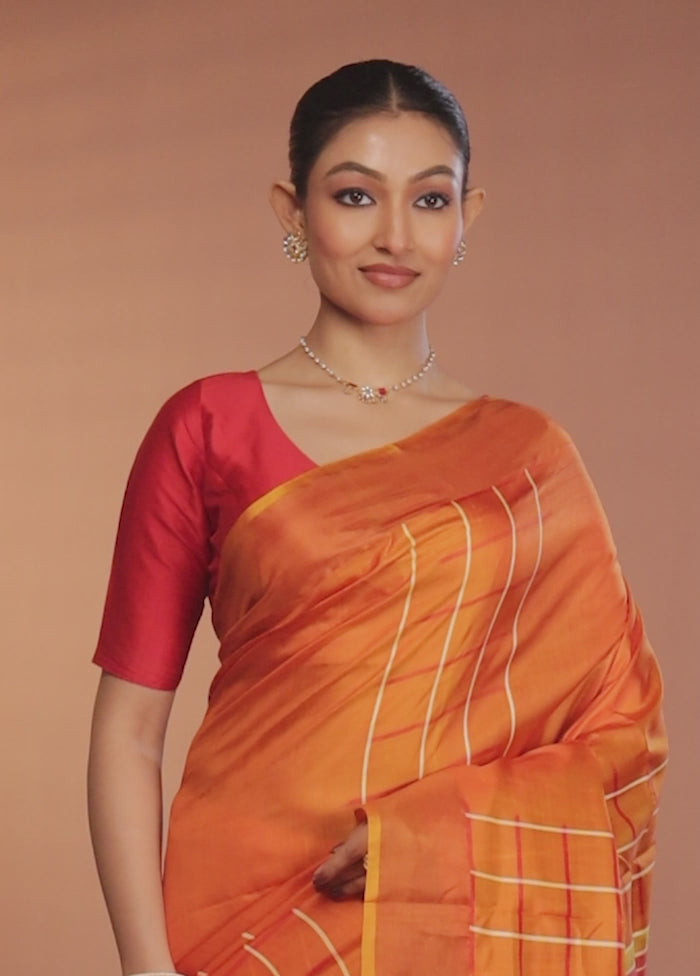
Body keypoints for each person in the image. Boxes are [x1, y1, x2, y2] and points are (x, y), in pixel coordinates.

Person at [88, 59, 667, 976]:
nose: (395, 235)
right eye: (355, 195)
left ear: (468, 218)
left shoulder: (530, 459)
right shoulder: (207, 426)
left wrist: (432, 836)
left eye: (430, 201)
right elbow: (128, 733)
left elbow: (620, 733)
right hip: (236, 916)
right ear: (292, 211)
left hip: (450, 926)